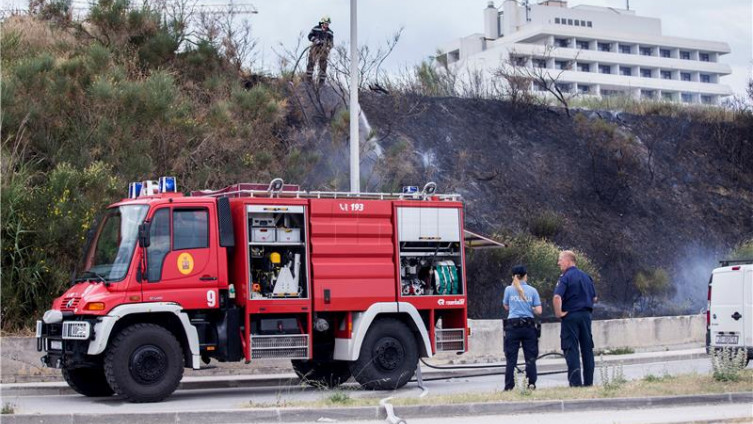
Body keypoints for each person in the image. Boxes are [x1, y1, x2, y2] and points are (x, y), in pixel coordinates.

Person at [553, 250, 598, 387]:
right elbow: (594, 298)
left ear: (568, 260)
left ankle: (575, 383)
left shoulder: (565, 277)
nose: (558, 262)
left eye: (560, 259)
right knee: (587, 349)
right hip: (586, 316)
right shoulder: (586, 277)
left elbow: (557, 297)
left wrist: (559, 313)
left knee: (571, 349)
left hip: (571, 316)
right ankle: (589, 383)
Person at [502, 265, 542, 391]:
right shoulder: (533, 290)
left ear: (513, 276)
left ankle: (509, 386)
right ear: (526, 275)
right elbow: (539, 311)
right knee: (530, 357)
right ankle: (531, 384)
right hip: (528, 326)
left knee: (511, 359)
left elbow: (506, 307)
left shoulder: (508, 289)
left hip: (512, 326)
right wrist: (530, 307)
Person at [306, 16, 334, 85]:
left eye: (328, 24)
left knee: (323, 64)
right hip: (315, 47)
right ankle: (309, 79)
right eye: (325, 23)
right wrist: (315, 40)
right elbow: (309, 36)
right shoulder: (316, 28)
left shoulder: (330, 32)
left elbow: (331, 43)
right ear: (322, 23)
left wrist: (328, 47)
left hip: (324, 49)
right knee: (311, 61)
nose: (326, 25)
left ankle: (321, 81)